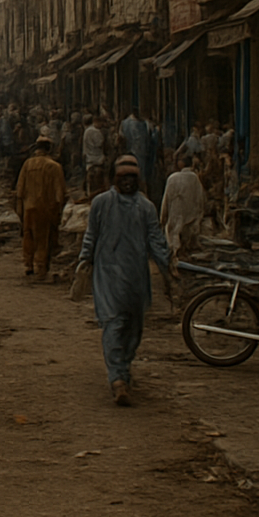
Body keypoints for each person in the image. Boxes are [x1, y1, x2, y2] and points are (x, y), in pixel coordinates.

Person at [77, 155, 172, 406]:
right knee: (113, 324)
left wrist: (168, 267)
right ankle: (117, 378)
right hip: (107, 275)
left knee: (134, 326)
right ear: (115, 179)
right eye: (124, 178)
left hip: (136, 278)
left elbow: (156, 240)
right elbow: (91, 235)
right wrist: (84, 260)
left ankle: (124, 367)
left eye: (132, 178)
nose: (128, 183)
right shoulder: (101, 203)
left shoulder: (146, 207)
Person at [14, 136, 66, 279]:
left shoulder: (27, 165)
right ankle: (41, 268)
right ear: (49, 148)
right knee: (43, 239)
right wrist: (59, 210)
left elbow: (20, 190)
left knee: (28, 236)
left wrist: (19, 209)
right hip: (46, 209)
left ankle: (28, 264)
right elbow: (59, 192)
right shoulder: (54, 167)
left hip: (28, 207)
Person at [159, 153, 205, 267]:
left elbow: (166, 199)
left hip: (175, 215)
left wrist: (162, 218)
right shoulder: (195, 178)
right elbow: (200, 198)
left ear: (181, 163)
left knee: (173, 235)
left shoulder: (173, 178)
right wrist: (199, 214)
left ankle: (175, 257)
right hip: (190, 215)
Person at [82, 114, 107, 196]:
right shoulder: (95, 131)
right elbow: (99, 143)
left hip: (89, 159)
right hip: (97, 159)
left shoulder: (87, 130)